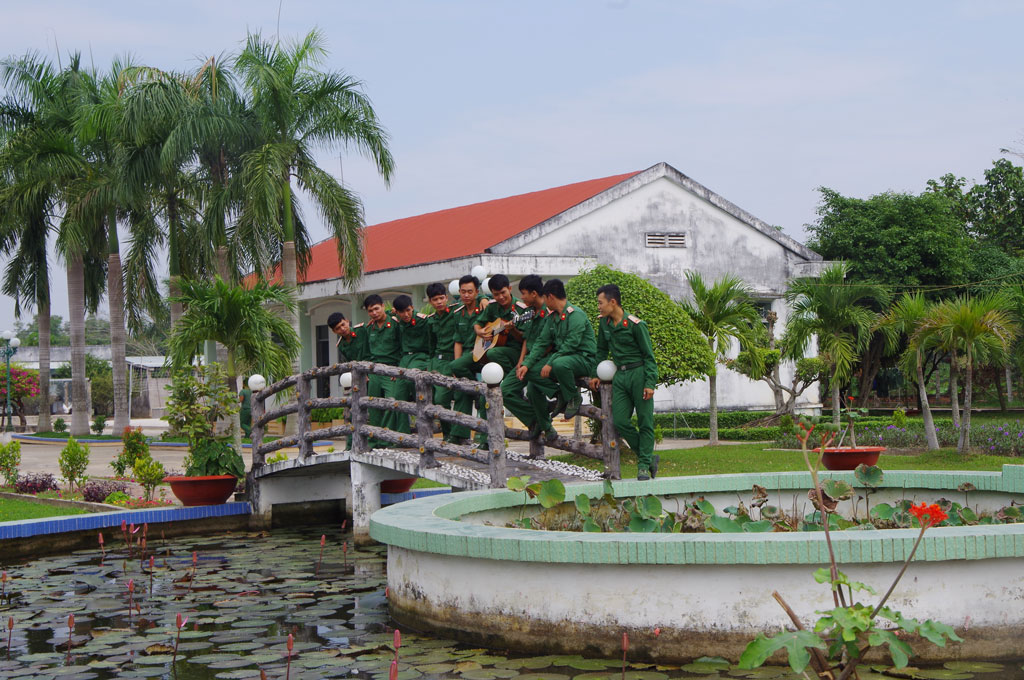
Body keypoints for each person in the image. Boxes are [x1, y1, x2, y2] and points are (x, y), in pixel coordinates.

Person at [589, 283, 659, 480]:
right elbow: (601, 350)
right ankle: (649, 457)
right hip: (619, 376)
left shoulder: (636, 325)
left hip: (639, 374)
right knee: (620, 421)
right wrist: (596, 372)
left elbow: (649, 357)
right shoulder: (604, 323)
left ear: (613, 302)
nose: (599, 307)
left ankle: (643, 465)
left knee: (645, 421)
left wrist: (649, 383)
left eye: (600, 303)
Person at [523, 278, 596, 439]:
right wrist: (526, 364)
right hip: (563, 359)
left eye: (545, 298)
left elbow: (570, 345)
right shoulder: (552, 318)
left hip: (583, 359)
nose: (544, 302)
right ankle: (553, 406)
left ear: (550, 297)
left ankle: (573, 397)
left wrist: (549, 363)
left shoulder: (576, 315)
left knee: (559, 364)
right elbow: (541, 343)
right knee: (532, 382)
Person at [501, 275, 554, 439]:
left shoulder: (549, 313)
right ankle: (534, 419)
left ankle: (547, 419)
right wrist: (520, 361)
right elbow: (527, 339)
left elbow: (549, 344)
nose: (522, 297)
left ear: (534, 293)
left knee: (532, 391)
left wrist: (529, 363)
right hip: (527, 361)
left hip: (540, 361)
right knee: (505, 390)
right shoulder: (530, 313)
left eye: (523, 293)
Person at [448, 275, 490, 444]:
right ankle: (459, 434)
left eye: (470, 292)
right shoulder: (458, 313)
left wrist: (485, 298)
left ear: (477, 292)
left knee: (486, 397)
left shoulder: (485, 307)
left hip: (484, 354)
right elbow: (457, 341)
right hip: (466, 357)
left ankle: (484, 438)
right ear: (459, 292)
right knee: (462, 391)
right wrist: (457, 368)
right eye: (463, 292)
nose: (466, 295)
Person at [362, 294, 402, 446]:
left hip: (391, 369)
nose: (374, 313)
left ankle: (387, 439)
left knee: (391, 403)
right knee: (374, 405)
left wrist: (398, 370)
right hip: (375, 371)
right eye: (371, 311)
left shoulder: (395, 323)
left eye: (376, 309)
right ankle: (374, 440)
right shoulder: (369, 328)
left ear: (383, 306)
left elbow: (402, 346)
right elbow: (366, 352)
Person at [392, 294, 431, 434]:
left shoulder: (423, 321)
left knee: (412, 381)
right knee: (398, 394)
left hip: (420, 357)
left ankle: (424, 426)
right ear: (396, 312)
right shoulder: (397, 322)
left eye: (408, 310)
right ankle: (403, 432)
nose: (406, 314)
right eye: (401, 312)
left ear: (412, 308)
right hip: (404, 360)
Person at [424, 282, 459, 440]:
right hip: (436, 363)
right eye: (435, 299)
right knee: (437, 400)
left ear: (447, 298)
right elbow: (431, 345)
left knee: (443, 398)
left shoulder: (456, 313)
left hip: (452, 359)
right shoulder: (430, 320)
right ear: (430, 302)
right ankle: (447, 434)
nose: (438, 302)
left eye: (441, 298)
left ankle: (455, 434)